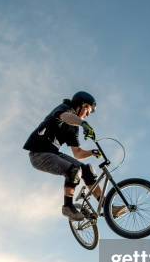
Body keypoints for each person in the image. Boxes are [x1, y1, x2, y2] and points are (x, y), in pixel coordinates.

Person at [23, 91, 127, 221]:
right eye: (87, 111)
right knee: (74, 170)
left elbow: (77, 153)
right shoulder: (65, 109)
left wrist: (91, 152)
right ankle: (68, 206)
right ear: (81, 105)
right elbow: (65, 116)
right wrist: (83, 124)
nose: (87, 116)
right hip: (39, 154)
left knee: (87, 170)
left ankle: (107, 207)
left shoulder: (73, 128)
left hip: (53, 153)